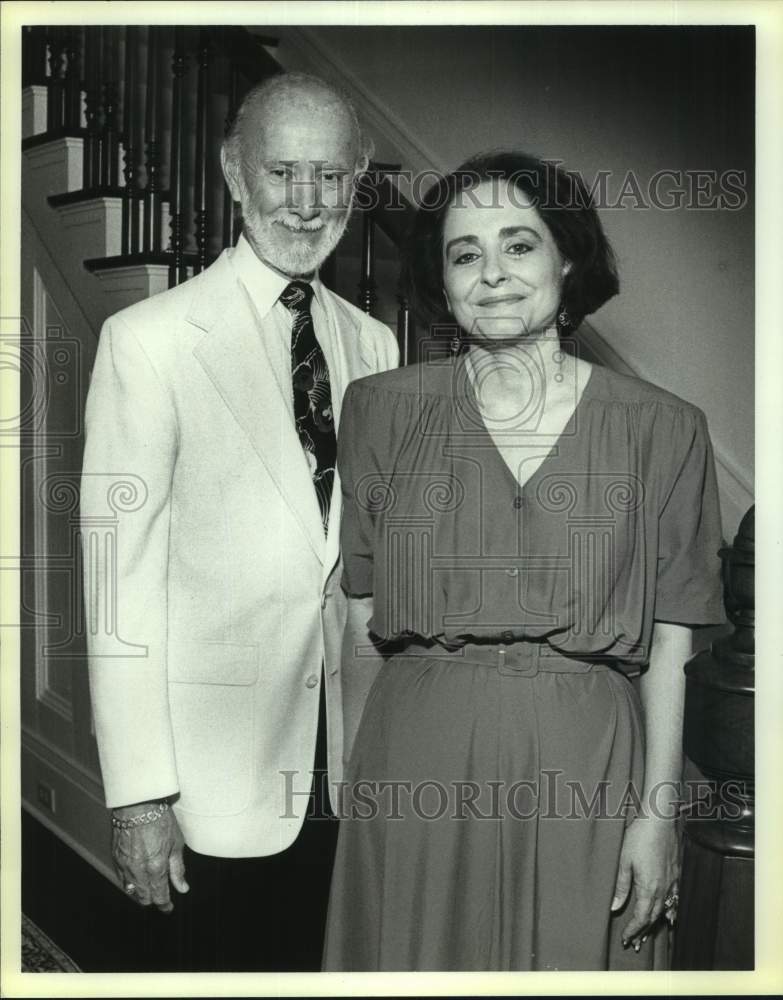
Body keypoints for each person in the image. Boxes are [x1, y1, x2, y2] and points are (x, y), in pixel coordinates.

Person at [322, 151, 724, 971]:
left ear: (566, 258)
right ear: (440, 277)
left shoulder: (663, 427)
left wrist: (657, 818)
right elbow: (358, 614)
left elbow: (672, 640)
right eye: (464, 253)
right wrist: (351, 773)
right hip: (416, 752)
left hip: (588, 761)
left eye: (519, 245)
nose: (491, 274)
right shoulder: (380, 412)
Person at [80, 72, 398, 971]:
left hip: (337, 764)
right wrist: (141, 796)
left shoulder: (372, 343)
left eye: (331, 178)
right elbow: (118, 582)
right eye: (283, 173)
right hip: (210, 782)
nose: (306, 204)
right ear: (232, 173)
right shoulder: (148, 342)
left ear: (356, 182)